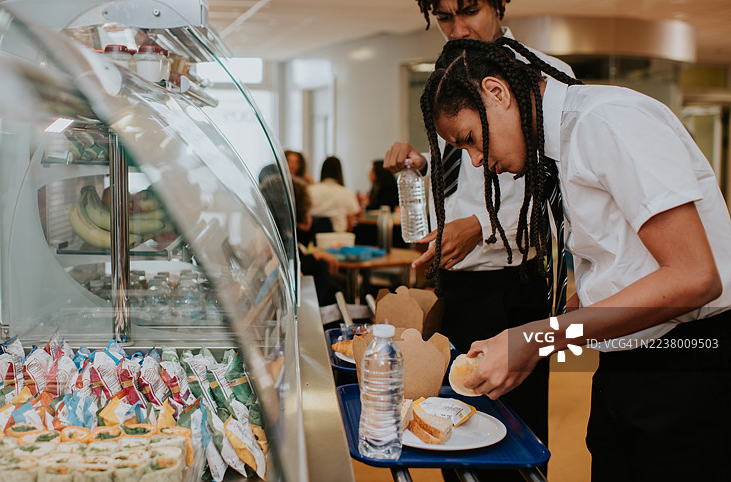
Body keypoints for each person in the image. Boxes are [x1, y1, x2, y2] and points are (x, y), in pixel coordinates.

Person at [422, 37, 731, 481]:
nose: (476, 161)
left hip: (687, 365)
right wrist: (581, 304)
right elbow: (626, 258)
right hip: (624, 368)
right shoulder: (560, 146)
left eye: (470, 140)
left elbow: (696, 276)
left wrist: (536, 340)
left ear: (497, 92)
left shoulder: (604, 120)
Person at [382, 0, 574, 462]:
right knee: (455, 424)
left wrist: (482, 226)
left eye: (468, 10)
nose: (458, 28)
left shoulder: (541, 75)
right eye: (444, 18)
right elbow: (468, 178)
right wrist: (424, 167)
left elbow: (554, 191)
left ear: (498, 4)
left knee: (511, 436)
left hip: (513, 289)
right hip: (460, 287)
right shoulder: (451, 76)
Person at [291, 175, 344, 306]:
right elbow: (295, 268)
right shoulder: (286, 234)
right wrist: (316, 255)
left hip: (310, 293)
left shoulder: (291, 229)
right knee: (339, 289)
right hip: (307, 299)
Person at [308, 156, 361, 232]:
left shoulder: (310, 191)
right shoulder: (346, 192)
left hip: (313, 239)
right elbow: (350, 224)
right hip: (340, 238)